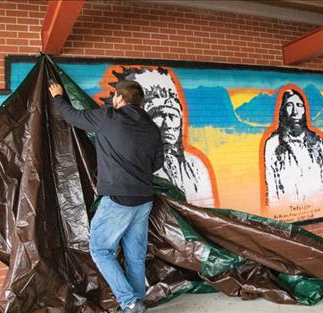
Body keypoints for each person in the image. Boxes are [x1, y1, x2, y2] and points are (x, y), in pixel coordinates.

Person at [49, 80, 163, 313]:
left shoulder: (109, 117)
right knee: (135, 255)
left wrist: (58, 97)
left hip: (119, 199)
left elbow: (73, 116)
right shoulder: (151, 126)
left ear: (120, 98)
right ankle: (136, 304)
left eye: (114, 97)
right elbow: (157, 163)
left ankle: (129, 301)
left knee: (100, 249)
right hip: (144, 199)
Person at [95, 66, 216, 207]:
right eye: (159, 113)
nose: (168, 122)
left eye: (172, 113)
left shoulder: (195, 166)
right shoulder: (136, 149)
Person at [263, 87, 323, 206]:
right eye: (289, 105)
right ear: (283, 110)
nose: (295, 111)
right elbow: (272, 190)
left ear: (304, 110)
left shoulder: (316, 142)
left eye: (299, 105)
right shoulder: (273, 144)